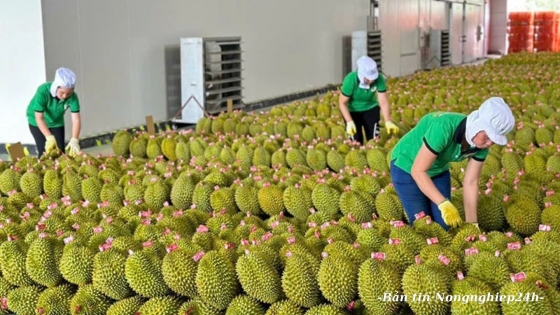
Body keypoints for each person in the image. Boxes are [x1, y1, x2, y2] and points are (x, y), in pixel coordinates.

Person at [389, 97, 515, 230]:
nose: (489, 143)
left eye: (494, 140)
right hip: (407, 166)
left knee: (445, 226)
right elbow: (418, 171)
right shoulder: (444, 127)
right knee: (423, 224)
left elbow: (471, 182)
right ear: (478, 125)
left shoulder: (482, 146)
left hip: (438, 169)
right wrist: (443, 204)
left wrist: (472, 223)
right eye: (487, 137)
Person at [339, 56, 399, 145]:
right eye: (368, 79)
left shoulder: (379, 79)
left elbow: (383, 101)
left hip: (371, 109)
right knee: (356, 142)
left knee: (375, 140)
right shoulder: (351, 80)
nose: (371, 81)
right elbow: (342, 103)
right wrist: (349, 121)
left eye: (373, 78)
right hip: (353, 111)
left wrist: (388, 121)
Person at [26, 67, 82, 157]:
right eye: (62, 92)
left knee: (60, 153)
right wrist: (49, 137)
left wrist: (75, 140)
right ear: (56, 87)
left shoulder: (73, 97)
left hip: (56, 122)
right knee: (45, 153)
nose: (64, 96)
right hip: (36, 122)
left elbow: (76, 120)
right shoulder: (43, 91)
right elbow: (39, 118)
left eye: (68, 93)